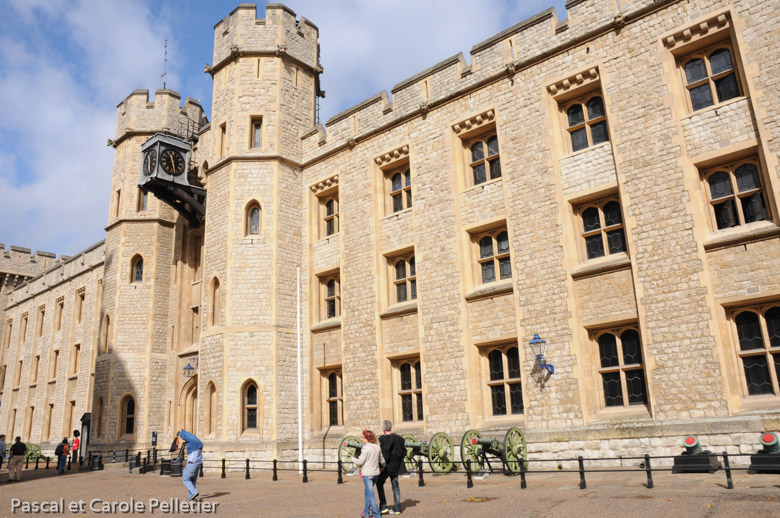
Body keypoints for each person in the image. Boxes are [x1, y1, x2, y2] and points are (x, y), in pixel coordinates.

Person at [351, 429, 385, 518]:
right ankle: (366, 512)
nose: (362, 439)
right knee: (368, 493)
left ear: (367, 438)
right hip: (376, 474)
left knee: (371, 495)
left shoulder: (365, 448)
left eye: (363, 437)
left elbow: (360, 462)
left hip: (367, 475)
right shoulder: (377, 447)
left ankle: (376, 515)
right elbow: (382, 461)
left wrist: (352, 458)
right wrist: (383, 467)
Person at [377, 421, 405, 514]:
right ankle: (397, 508)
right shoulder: (399, 439)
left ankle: (383, 506)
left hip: (387, 467)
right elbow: (404, 452)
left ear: (383, 429)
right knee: (395, 486)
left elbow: (385, 455)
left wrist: (381, 466)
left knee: (379, 483)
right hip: (396, 466)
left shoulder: (385, 439)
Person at [177, 429, 203, 501]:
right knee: (193, 480)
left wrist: (179, 434)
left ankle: (194, 492)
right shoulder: (199, 444)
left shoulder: (192, 445)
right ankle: (191, 497)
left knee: (186, 479)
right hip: (198, 464)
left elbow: (185, 436)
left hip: (192, 463)